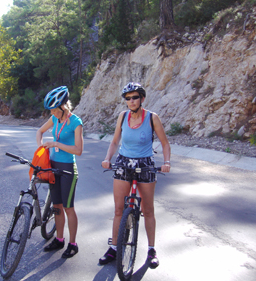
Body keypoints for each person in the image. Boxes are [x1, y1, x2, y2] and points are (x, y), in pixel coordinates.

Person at [99, 82, 171, 269]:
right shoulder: (122, 117)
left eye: (135, 97)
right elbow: (115, 141)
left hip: (145, 163)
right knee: (118, 209)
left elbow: (164, 143)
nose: (131, 101)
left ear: (142, 99)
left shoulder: (152, 118)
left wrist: (166, 162)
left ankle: (151, 250)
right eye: (128, 98)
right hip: (124, 162)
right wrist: (107, 158)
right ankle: (114, 247)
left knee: (148, 210)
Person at [36, 86, 84, 258]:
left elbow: (78, 150)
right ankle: (59, 239)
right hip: (53, 167)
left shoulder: (76, 122)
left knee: (68, 207)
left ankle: (73, 244)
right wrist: (41, 146)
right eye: (51, 111)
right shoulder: (55, 119)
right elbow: (39, 131)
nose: (53, 114)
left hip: (68, 170)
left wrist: (56, 144)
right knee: (57, 207)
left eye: (55, 110)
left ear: (64, 107)